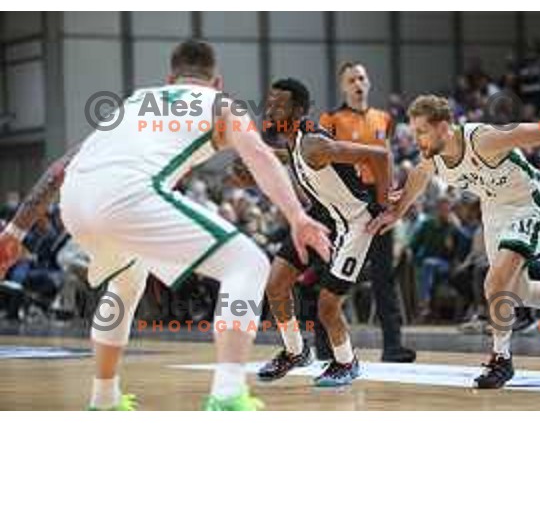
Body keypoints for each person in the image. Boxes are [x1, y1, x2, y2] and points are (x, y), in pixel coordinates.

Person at [0, 39, 330, 411]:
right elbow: (258, 156)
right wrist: (297, 216)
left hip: (76, 201)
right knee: (248, 264)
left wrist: (15, 230)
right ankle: (227, 394)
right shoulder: (221, 104)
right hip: (128, 196)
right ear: (216, 82)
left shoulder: (135, 103)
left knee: (127, 280)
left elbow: (60, 168)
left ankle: (104, 398)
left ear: (169, 79)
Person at [368, 94, 540, 389]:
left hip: (526, 201)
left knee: (494, 283)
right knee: (517, 291)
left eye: (422, 131)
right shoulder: (433, 158)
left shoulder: (482, 139)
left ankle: (501, 359)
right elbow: (419, 175)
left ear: (443, 127)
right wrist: (397, 213)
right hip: (494, 210)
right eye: (414, 133)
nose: (417, 140)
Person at [236, 78, 391, 386]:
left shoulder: (314, 144)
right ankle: (295, 352)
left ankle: (347, 362)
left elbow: (379, 156)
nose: (271, 108)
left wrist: (385, 206)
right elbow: (284, 159)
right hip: (322, 217)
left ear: (300, 110)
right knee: (276, 285)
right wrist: (252, 168)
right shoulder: (291, 142)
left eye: (280, 104)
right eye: (271, 102)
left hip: (355, 223)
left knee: (327, 305)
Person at [320, 62, 416, 363]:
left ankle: (392, 345)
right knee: (334, 276)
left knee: (383, 276)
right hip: (346, 204)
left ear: (368, 82)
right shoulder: (331, 119)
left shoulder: (383, 118)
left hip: (377, 202)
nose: (358, 83)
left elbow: (386, 159)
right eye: (351, 79)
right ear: (343, 87)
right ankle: (325, 347)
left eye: (362, 77)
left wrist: (389, 197)